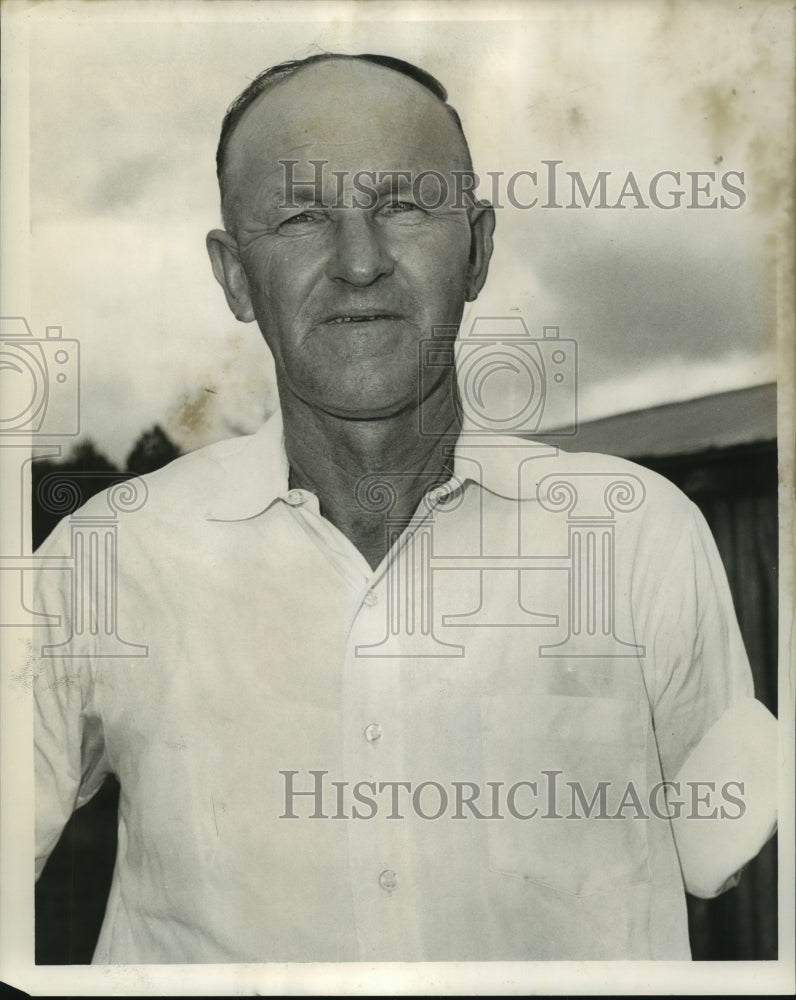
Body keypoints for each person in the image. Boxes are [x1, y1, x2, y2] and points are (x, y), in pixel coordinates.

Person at [32, 52, 777, 963]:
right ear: (233, 277)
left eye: (403, 205)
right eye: (304, 216)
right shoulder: (104, 558)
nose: (360, 262)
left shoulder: (639, 537)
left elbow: (723, 852)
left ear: (478, 248)